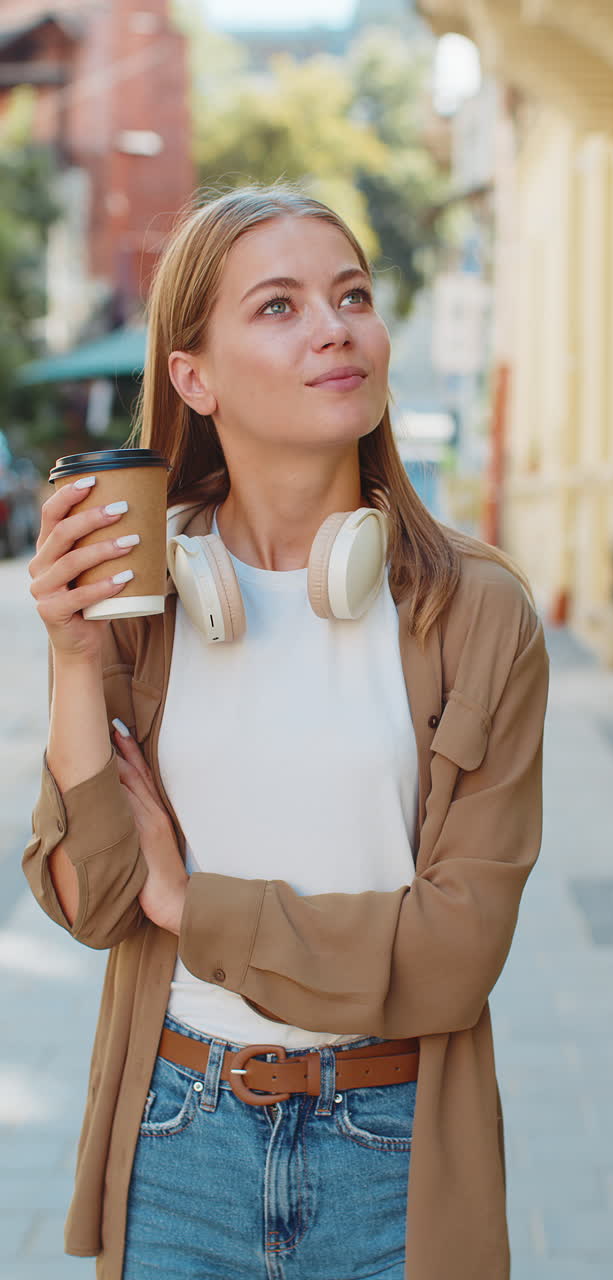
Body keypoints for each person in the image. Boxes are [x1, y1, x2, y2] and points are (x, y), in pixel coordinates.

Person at [23, 184, 549, 1280]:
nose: (334, 326)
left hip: (394, 1148)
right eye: (279, 305)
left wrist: (192, 904)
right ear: (193, 376)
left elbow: (455, 958)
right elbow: (93, 902)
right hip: (178, 1139)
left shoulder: (477, 611)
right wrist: (76, 658)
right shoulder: (144, 597)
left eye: (352, 294)